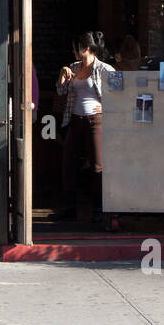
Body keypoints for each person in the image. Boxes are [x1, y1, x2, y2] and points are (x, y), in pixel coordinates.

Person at [57, 31, 117, 224]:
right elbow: (60, 90)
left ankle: (101, 208)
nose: (73, 51)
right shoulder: (73, 67)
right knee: (69, 163)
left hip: (95, 121)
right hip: (75, 120)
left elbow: (119, 95)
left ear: (88, 49)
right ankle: (68, 208)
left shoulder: (105, 69)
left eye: (76, 48)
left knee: (97, 166)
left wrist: (107, 107)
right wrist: (61, 76)